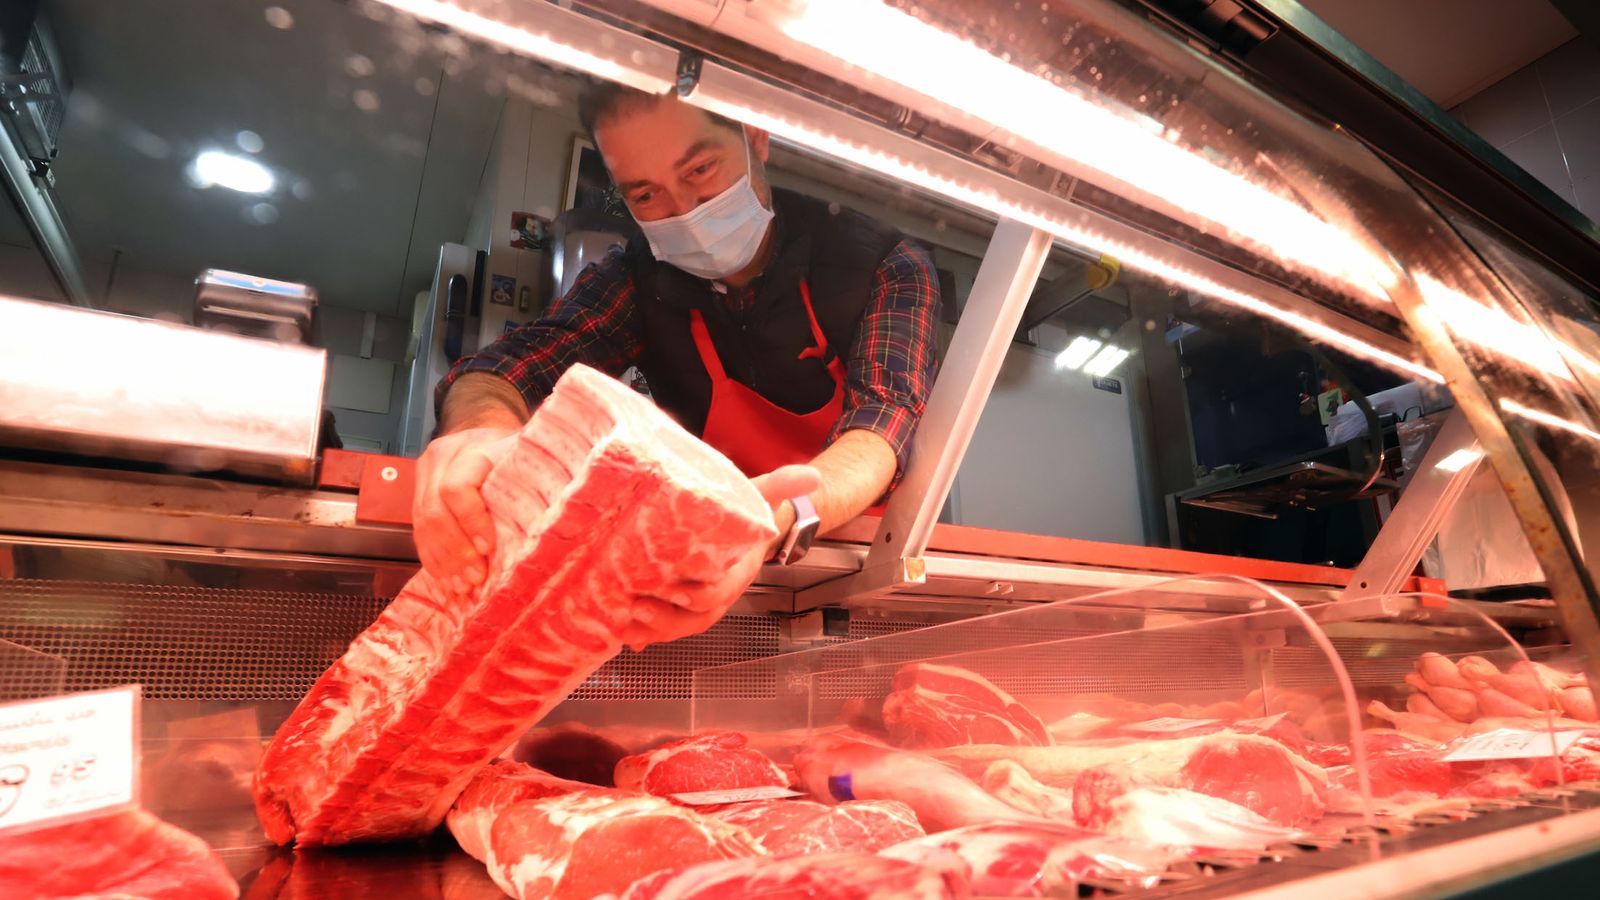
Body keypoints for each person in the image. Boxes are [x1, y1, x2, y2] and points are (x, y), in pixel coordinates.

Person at [415, 83, 940, 639]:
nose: (683, 212)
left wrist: (769, 518)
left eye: (700, 171)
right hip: (699, 575)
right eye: (645, 196)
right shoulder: (637, 279)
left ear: (755, 136)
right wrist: (478, 429)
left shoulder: (879, 263)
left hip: (861, 578)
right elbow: (512, 365)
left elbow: (881, 426)